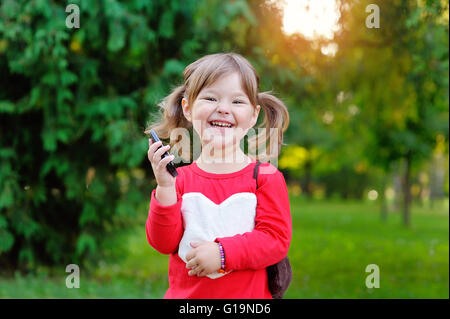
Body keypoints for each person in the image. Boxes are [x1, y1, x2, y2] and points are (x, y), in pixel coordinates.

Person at [145, 52, 292, 299]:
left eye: (237, 102)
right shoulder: (178, 180)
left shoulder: (265, 177)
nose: (223, 109)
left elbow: (275, 240)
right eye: (211, 98)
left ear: (253, 115)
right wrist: (165, 187)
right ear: (188, 109)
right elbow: (163, 243)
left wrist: (223, 254)